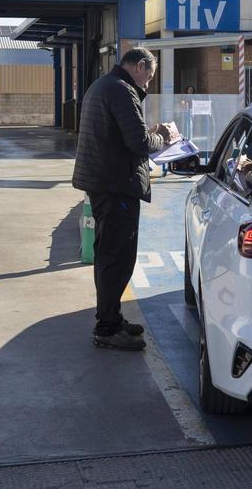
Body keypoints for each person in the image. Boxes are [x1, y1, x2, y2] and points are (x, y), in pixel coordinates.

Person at [73, 47, 176, 351]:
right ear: (141, 66)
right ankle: (106, 329)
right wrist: (165, 138)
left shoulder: (103, 85)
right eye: (150, 76)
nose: (148, 84)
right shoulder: (121, 90)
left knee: (109, 256)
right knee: (117, 259)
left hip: (105, 182)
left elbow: (124, 134)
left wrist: (150, 132)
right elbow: (139, 141)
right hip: (116, 185)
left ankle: (112, 319)